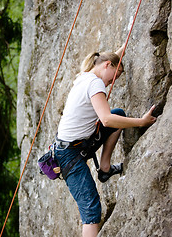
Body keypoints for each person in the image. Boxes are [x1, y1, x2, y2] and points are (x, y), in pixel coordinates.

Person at [54, 45, 156, 237]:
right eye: (114, 77)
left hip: (76, 145)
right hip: (69, 155)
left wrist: (123, 49)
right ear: (107, 65)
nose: (111, 82)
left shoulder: (84, 76)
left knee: (119, 115)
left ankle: (105, 168)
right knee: (91, 211)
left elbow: (110, 60)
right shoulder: (95, 83)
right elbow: (106, 119)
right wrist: (141, 122)